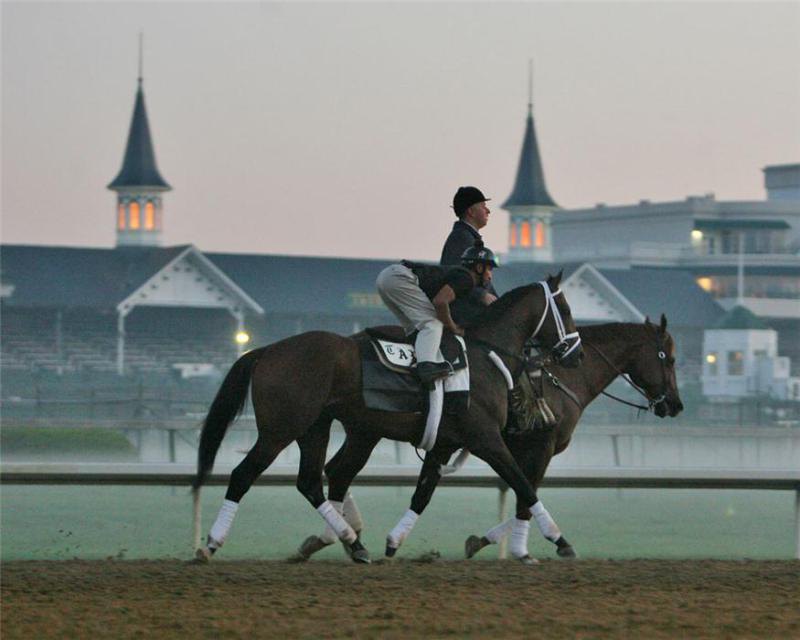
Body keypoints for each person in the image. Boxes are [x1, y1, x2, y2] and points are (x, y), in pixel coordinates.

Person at [376, 243, 498, 387]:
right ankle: (426, 367)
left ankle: (412, 361)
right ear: (479, 268)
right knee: (432, 324)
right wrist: (453, 327)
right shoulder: (467, 278)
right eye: (489, 269)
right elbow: (440, 302)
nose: (491, 275)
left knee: (415, 329)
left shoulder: (461, 277)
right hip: (400, 278)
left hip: (387, 278)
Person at [441, 186, 498, 324]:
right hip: (464, 315)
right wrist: (482, 295)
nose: (488, 210)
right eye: (483, 206)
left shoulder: (468, 237)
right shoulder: (461, 238)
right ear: (471, 211)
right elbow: (453, 276)